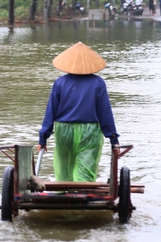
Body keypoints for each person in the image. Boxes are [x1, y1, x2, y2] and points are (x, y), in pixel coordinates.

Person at [38, 42, 120, 182]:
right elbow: (105, 113)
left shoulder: (60, 83)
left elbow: (50, 111)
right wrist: (113, 139)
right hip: (89, 132)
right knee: (85, 172)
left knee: (64, 170)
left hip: (64, 131)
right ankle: (82, 197)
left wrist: (43, 138)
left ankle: (63, 196)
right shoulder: (98, 83)